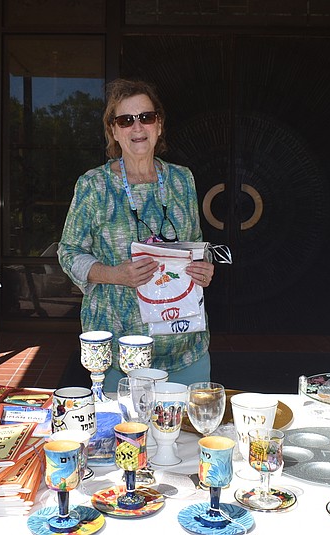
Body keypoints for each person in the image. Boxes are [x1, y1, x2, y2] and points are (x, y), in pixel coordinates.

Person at [58, 78, 214, 391]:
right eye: (126, 120)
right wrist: (115, 274)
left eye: (146, 117)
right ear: (113, 131)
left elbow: (197, 245)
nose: (138, 127)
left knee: (191, 423)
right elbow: (68, 253)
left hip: (186, 348)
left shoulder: (182, 180)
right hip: (121, 355)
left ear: (159, 125)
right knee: (126, 426)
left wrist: (204, 267)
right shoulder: (94, 186)